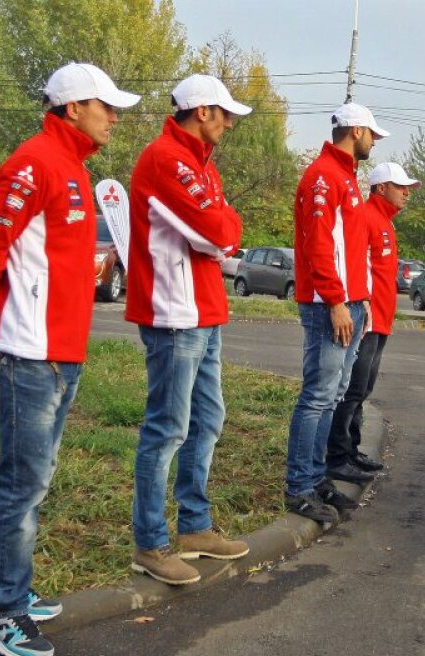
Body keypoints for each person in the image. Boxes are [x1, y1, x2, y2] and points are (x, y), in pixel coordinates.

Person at [0, 63, 141, 656]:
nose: (114, 115)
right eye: (104, 105)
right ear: (71, 108)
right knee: (23, 481)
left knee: (31, 480)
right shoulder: (34, 162)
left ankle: (0, 584)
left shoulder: (71, 169)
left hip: (60, 349)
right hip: (26, 353)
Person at [124, 75, 253, 585]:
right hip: (174, 315)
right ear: (201, 111)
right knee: (167, 429)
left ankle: (195, 526)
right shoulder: (165, 159)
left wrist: (222, 224)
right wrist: (222, 224)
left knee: (207, 421)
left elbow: (220, 234)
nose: (229, 123)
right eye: (224, 114)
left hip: (203, 311)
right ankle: (149, 543)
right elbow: (215, 234)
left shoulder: (199, 163)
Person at [284, 103, 389, 523]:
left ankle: (316, 477)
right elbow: (319, 245)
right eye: (372, 134)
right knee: (317, 396)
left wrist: (357, 297)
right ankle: (299, 487)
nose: (374, 141)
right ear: (357, 130)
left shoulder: (343, 176)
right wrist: (335, 300)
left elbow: (348, 249)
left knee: (332, 395)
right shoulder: (324, 177)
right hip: (329, 306)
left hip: (346, 303)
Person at [326, 162, 421, 477]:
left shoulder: (386, 222)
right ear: (382, 188)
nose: (407, 192)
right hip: (366, 321)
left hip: (381, 322)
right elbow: (352, 267)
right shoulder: (365, 218)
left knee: (363, 389)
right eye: (401, 186)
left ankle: (351, 451)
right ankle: (337, 458)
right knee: (352, 389)